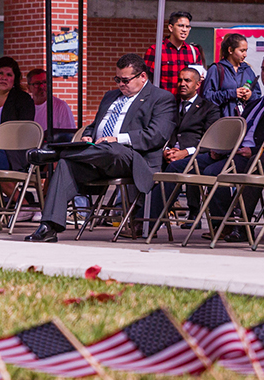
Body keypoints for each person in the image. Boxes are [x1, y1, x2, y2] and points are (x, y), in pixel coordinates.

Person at [24, 54, 176, 243]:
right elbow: (95, 125)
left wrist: (117, 138)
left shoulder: (161, 98)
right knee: (65, 164)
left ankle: (56, 152)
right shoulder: (110, 96)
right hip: (98, 156)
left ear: (142, 77)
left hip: (133, 158)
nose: (121, 84)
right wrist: (89, 135)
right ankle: (48, 227)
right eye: (117, 79)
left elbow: (156, 135)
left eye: (126, 80)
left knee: (112, 148)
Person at [197, 53, 264, 242]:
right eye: (263, 69)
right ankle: (150, 221)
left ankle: (227, 224)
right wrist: (222, 149)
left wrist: (254, 152)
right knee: (185, 165)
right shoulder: (254, 103)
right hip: (232, 153)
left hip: (254, 157)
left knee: (213, 171)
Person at [148, 66, 221, 225]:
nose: (182, 83)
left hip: (197, 155)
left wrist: (185, 152)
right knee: (143, 161)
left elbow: (211, 141)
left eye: (187, 80)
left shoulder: (209, 109)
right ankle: (134, 212)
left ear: (197, 84)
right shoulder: (169, 106)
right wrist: (166, 150)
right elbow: (161, 132)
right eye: (180, 80)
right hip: (169, 154)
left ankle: (149, 221)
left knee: (178, 167)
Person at [0, 56, 35, 171]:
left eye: (9, 75)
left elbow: (24, 130)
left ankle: (14, 190)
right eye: (0, 73)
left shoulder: (22, 99)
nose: (4, 78)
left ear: (14, 79)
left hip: (10, 150)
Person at [144, 11, 205, 96]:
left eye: (187, 27)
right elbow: (146, 80)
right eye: (180, 26)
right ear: (171, 28)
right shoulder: (156, 50)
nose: (184, 29)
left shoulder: (193, 51)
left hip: (185, 103)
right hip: (163, 102)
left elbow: (197, 80)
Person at [202, 33, 261, 117]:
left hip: (244, 121)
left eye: (246, 50)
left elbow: (258, 95)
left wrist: (250, 95)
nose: (245, 55)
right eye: (242, 51)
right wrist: (231, 93)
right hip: (222, 121)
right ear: (230, 50)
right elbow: (207, 97)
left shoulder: (247, 70)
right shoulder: (216, 69)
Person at [26, 68, 76, 134]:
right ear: (29, 88)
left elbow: (69, 135)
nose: (42, 86)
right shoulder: (25, 107)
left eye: (45, 82)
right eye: (37, 83)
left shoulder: (61, 107)